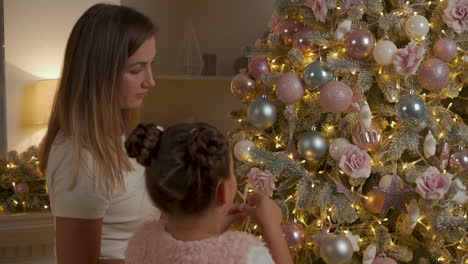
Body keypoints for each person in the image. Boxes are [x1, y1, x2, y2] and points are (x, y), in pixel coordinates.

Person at [39, 4, 158, 264]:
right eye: (137, 69)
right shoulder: (81, 160)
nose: (150, 81)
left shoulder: (131, 141)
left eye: (151, 65)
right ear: (101, 73)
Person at [125, 122, 293, 264]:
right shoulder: (243, 255)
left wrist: (212, 225)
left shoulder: (143, 241)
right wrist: (271, 228)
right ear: (223, 190)